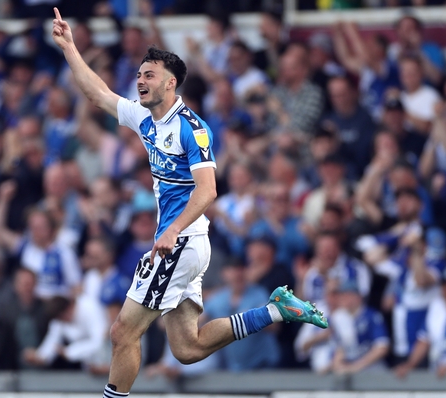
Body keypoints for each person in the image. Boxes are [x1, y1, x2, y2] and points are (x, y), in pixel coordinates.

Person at [51, 9, 327, 398]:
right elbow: (97, 94)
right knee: (187, 347)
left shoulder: (191, 128)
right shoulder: (146, 119)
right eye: (139, 74)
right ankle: (277, 310)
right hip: (185, 243)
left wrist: (173, 230)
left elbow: (208, 190)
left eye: (149, 75)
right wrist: (70, 48)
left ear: (171, 82)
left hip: (180, 241)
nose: (140, 80)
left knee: (123, 330)